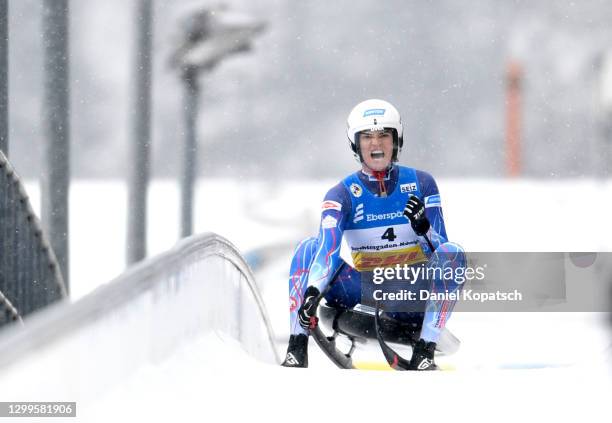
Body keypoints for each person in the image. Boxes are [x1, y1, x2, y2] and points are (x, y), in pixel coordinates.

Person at [281, 99, 465, 370]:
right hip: (365, 290)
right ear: (356, 144)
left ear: (396, 141)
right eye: (367, 137)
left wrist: (424, 229)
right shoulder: (340, 194)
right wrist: (312, 292)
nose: (375, 144)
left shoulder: (422, 183)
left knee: (455, 252)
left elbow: (443, 255)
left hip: (409, 294)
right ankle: (296, 346)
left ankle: (425, 351)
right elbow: (326, 251)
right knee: (307, 247)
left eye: (383, 136)